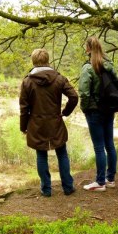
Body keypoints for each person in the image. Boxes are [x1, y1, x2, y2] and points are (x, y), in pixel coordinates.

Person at [19, 48, 79, 197]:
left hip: (37, 124)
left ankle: (46, 190)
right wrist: (64, 113)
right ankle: (68, 187)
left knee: (41, 155)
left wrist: (23, 127)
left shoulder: (27, 82)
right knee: (62, 153)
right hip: (55, 122)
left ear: (33, 62)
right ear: (47, 60)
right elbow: (74, 97)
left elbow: (24, 108)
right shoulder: (59, 78)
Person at [78, 36, 118, 192]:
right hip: (109, 109)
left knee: (99, 147)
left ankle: (100, 182)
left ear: (88, 49)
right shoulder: (109, 65)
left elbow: (84, 92)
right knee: (110, 144)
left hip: (95, 111)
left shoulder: (88, 68)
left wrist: (85, 108)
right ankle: (110, 179)